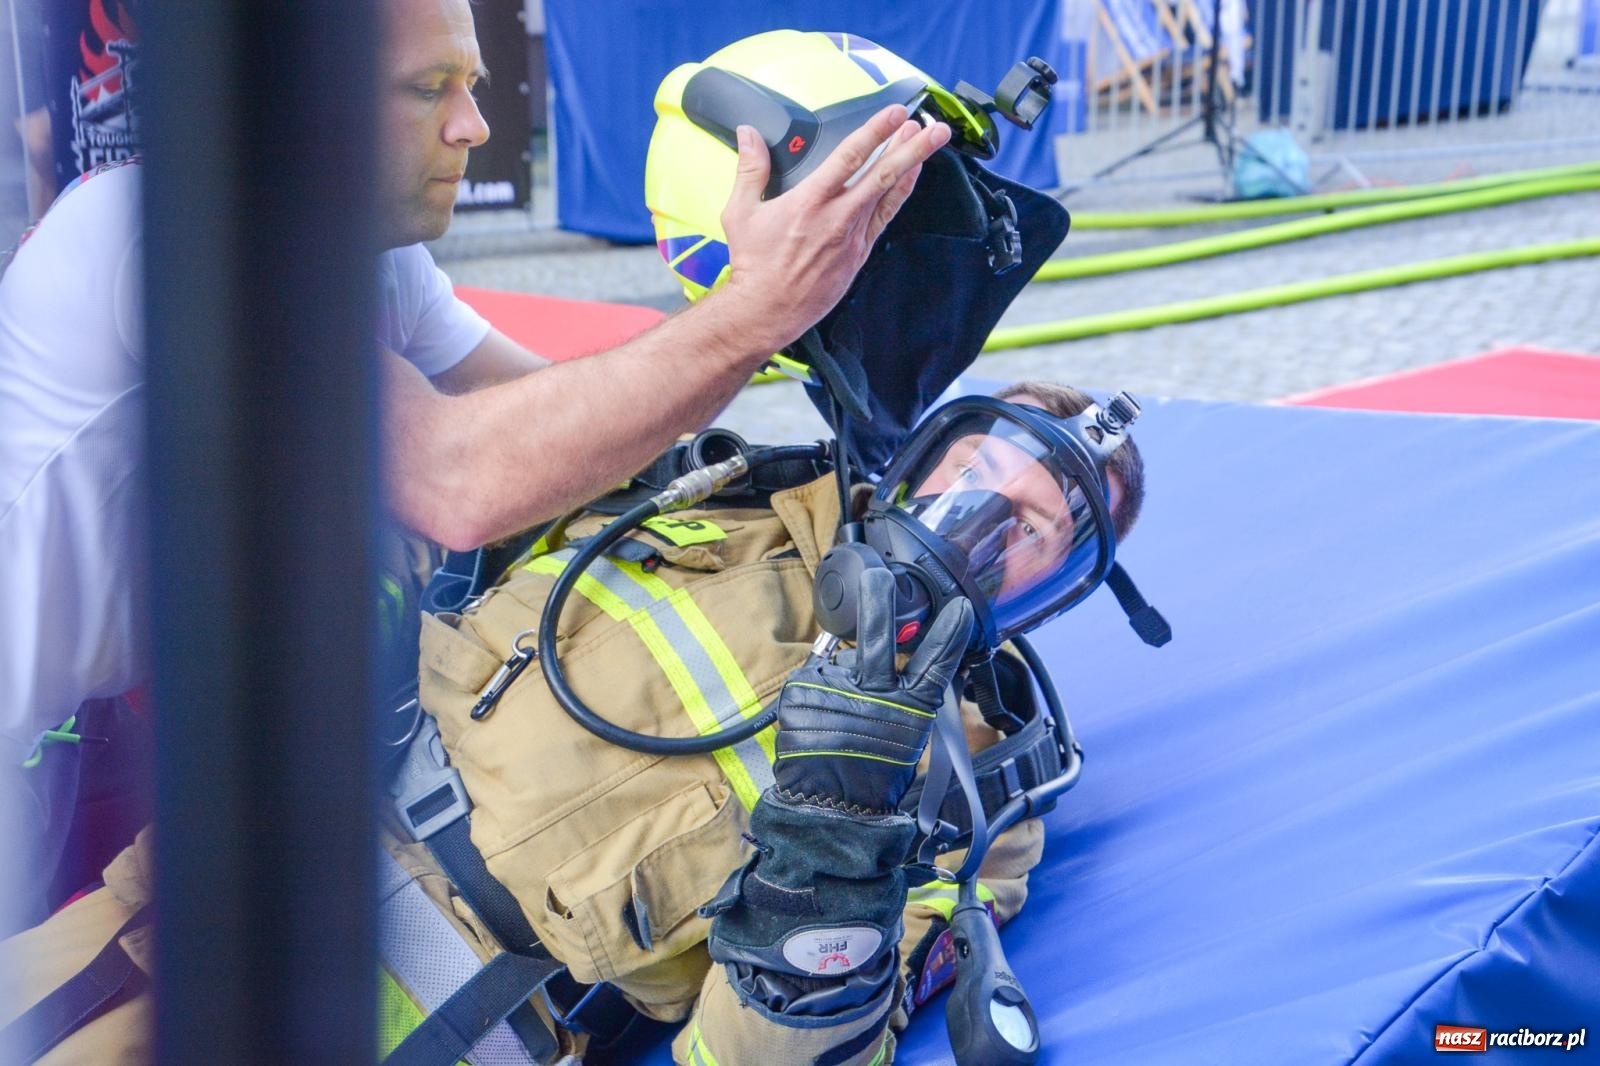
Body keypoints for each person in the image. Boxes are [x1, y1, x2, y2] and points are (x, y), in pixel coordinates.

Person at [0, 0, 949, 938]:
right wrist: (752, 312)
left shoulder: (369, 255)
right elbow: (460, 484)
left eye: (473, 85)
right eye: (428, 89)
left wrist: (792, 301)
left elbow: (578, 433)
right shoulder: (174, 229)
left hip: (83, 732)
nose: (476, 126)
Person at [385, 382, 1148, 1063]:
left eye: (1027, 529)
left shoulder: (979, 808)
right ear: (927, 453)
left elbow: (785, 1048)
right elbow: (457, 482)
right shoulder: (719, 488)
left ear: (1051, 593)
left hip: (458, 991)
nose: (971, 521)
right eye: (973, 472)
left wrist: (835, 839)